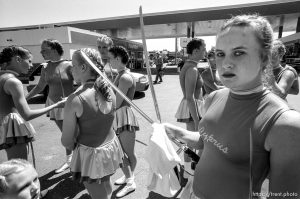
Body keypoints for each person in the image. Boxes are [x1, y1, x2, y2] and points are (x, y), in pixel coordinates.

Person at [164, 14, 300, 199]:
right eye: (220, 53)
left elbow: (285, 195)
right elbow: (208, 141)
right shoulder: (213, 97)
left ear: (265, 58)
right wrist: (176, 133)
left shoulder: (286, 124)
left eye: (239, 52)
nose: (225, 63)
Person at [61, 48, 123, 199]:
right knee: (107, 187)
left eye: (73, 65)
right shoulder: (109, 89)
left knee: (98, 196)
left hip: (90, 155)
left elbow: (66, 141)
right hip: (110, 147)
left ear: (83, 67)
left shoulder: (75, 99)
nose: (70, 70)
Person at [0, 46, 66, 160]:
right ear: (18, 59)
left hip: (3, 127)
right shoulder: (13, 82)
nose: (31, 65)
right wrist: (56, 105)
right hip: (12, 131)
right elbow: (27, 114)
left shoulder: (2, 77)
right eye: (29, 61)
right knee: (20, 169)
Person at [26, 39, 74, 174]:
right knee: (66, 134)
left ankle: (76, 160)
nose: (41, 53)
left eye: (44, 50)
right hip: (53, 104)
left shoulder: (69, 65)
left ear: (54, 49)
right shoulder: (45, 67)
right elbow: (40, 86)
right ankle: (70, 159)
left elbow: (81, 83)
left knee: (70, 135)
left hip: (68, 105)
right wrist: (24, 99)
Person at [108, 46, 139, 198]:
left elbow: (116, 103)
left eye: (110, 58)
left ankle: (131, 182)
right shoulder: (119, 74)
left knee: (127, 153)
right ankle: (128, 176)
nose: (108, 61)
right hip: (118, 116)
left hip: (124, 116)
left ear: (118, 59)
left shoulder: (125, 77)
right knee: (120, 152)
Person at [175, 38, 206, 132]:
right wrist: (197, 121)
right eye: (204, 49)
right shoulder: (192, 69)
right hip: (194, 110)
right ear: (196, 51)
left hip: (195, 109)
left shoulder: (191, 66)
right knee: (195, 142)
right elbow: (189, 97)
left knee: (195, 143)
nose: (205, 52)